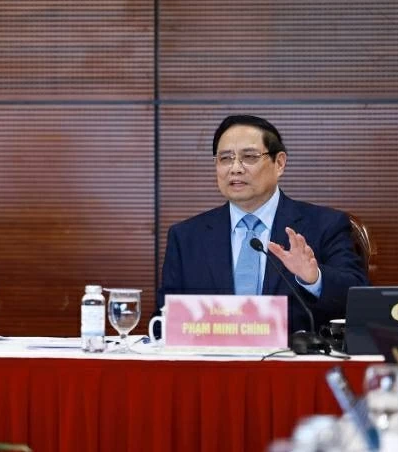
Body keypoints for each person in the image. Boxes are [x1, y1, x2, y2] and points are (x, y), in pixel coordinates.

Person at [158, 114, 370, 336]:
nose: (235, 168)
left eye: (249, 157)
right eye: (225, 158)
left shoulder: (325, 225)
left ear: (279, 163)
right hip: (210, 355)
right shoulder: (186, 237)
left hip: (293, 355)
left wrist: (314, 279)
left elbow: (359, 300)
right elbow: (165, 318)